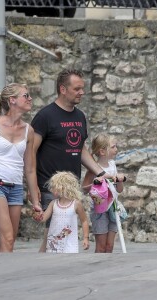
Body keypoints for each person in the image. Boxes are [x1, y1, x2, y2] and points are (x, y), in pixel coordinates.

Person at [31, 69, 109, 252]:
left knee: (63, 232)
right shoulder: (45, 116)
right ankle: (44, 267)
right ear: (63, 89)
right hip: (51, 186)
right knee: (52, 231)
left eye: (82, 88)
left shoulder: (80, 116)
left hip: (72, 188)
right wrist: (32, 187)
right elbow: (30, 153)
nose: (82, 92)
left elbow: (80, 149)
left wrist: (101, 173)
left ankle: (52, 267)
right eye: (77, 88)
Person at [0, 83, 41, 252]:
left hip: (15, 187)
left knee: (9, 241)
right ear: (12, 100)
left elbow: (29, 168)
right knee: (7, 237)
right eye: (26, 96)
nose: (30, 99)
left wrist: (35, 201)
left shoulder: (29, 130)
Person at [82, 133, 125, 253]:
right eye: (113, 147)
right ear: (102, 151)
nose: (116, 149)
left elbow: (119, 190)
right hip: (99, 208)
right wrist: (96, 183)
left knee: (109, 246)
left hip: (113, 207)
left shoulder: (112, 165)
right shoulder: (94, 168)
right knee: (101, 247)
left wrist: (119, 180)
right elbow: (84, 188)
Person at [33, 171, 89, 253]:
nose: (51, 190)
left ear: (62, 188)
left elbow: (84, 221)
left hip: (70, 242)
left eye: (53, 187)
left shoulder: (76, 204)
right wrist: (37, 215)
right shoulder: (53, 203)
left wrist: (86, 238)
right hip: (53, 242)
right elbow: (43, 218)